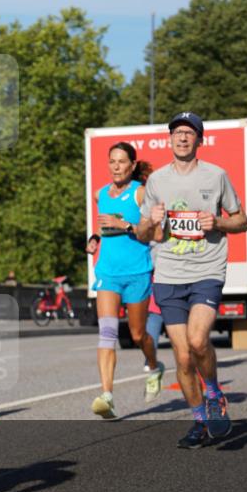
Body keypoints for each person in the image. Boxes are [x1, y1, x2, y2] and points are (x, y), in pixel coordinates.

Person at [136, 112, 247, 448]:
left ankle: (213, 393)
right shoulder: (156, 181)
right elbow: (143, 235)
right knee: (183, 358)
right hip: (169, 275)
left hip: (207, 271)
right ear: (169, 140)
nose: (182, 138)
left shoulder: (216, 176)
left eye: (189, 133)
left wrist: (218, 223)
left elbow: (241, 221)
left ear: (199, 140)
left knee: (199, 341)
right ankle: (200, 421)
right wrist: (151, 221)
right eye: (177, 133)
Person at [86, 142, 164, 418]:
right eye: (112, 161)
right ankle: (107, 396)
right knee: (107, 333)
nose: (116, 166)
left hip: (137, 272)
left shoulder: (140, 193)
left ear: (132, 165)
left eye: (122, 162)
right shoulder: (100, 194)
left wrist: (127, 226)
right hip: (107, 272)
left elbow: (155, 235)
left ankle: (154, 366)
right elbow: (102, 226)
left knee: (138, 334)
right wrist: (95, 239)